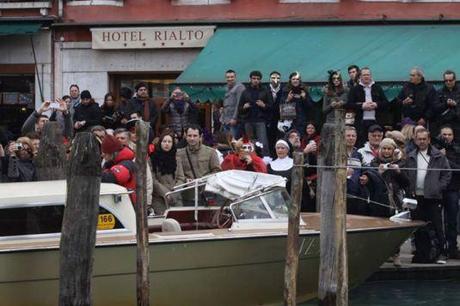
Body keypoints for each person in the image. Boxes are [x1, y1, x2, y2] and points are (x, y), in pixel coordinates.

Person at [405, 128, 451, 264]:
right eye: (419, 139)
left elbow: (447, 174)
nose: (422, 141)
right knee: (418, 227)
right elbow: (406, 173)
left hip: (433, 196)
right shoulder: (411, 155)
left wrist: (438, 187)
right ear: (415, 140)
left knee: (437, 226)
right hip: (416, 196)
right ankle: (422, 253)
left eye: (424, 139)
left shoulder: (438, 156)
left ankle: (442, 253)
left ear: (429, 140)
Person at [433, 126, 460, 259]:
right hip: (437, 189)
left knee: (452, 220)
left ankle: (453, 248)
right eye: (444, 134)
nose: (447, 137)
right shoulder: (434, 149)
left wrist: (445, 159)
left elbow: (457, 169)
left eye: (449, 134)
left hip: (453, 188)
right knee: (437, 221)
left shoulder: (456, 149)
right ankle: (439, 248)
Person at [347, 67, 388, 145]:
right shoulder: (355, 89)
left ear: (371, 76)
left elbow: (386, 103)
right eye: (364, 75)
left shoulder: (377, 88)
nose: (366, 76)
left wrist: (376, 104)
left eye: (368, 75)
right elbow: (349, 105)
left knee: (376, 143)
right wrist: (362, 106)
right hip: (360, 122)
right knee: (361, 143)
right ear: (360, 77)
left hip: (376, 121)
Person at [238, 71, 273, 156]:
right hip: (248, 120)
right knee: (249, 143)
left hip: (260, 120)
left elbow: (271, 107)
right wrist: (244, 107)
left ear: (260, 80)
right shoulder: (245, 92)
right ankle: (251, 160)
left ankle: (265, 161)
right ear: (250, 79)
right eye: (254, 78)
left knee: (263, 143)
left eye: (258, 79)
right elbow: (239, 108)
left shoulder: (265, 91)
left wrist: (264, 105)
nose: (256, 80)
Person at [150, 131, 186, 215]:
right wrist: (166, 193)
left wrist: (174, 192)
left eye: (169, 142)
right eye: (164, 141)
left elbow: (181, 178)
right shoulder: (152, 159)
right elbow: (153, 180)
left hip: (176, 197)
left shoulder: (176, 158)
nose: (167, 144)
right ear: (160, 143)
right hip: (159, 199)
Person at [101, 135, 137, 204]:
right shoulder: (111, 163)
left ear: (112, 153)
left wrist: (92, 174)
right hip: (119, 203)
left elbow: (113, 177)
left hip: (127, 204)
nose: (102, 155)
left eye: (105, 153)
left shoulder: (127, 163)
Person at [279, 72, 311, 137]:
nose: (295, 81)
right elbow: (281, 106)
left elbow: (310, 106)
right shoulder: (285, 90)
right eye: (293, 79)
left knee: (300, 137)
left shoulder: (304, 90)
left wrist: (304, 98)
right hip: (289, 120)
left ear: (300, 80)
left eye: (297, 79)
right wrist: (287, 100)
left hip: (301, 120)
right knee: (289, 138)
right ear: (290, 80)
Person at [433, 70, 460, 142]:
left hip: (457, 123)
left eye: (450, 80)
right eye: (446, 80)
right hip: (443, 124)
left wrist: (455, 105)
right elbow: (435, 108)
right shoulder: (439, 92)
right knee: (443, 144)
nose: (448, 82)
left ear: (455, 80)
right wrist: (446, 104)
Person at [221, 69, 245, 139]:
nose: (230, 79)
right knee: (228, 142)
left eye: (232, 77)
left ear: (235, 77)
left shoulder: (239, 87)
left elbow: (239, 104)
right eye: (228, 77)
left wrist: (235, 118)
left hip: (234, 121)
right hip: (225, 120)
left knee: (234, 142)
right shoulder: (226, 88)